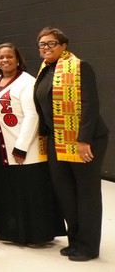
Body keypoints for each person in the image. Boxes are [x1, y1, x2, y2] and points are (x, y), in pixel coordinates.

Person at [34, 27, 109, 262]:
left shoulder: (79, 67)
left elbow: (90, 104)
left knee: (86, 194)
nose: (46, 48)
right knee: (65, 193)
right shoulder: (45, 70)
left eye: (51, 44)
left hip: (84, 140)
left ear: (64, 46)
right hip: (58, 139)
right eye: (42, 45)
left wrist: (84, 140)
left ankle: (88, 246)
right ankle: (74, 240)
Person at [0, 43, 65, 247]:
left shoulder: (27, 82)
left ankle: (36, 234)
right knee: (10, 191)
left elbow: (32, 115)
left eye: (9, 56)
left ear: (18, 59)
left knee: (28, 191)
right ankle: (13, 232)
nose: (5, 60)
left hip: (23, 146)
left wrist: (21, 147)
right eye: (1, 57)